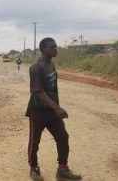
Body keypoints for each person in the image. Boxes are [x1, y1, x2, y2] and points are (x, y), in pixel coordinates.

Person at [26, 38, 82, 181]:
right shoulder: (36, 68)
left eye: (56, 46)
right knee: (34, 142)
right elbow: (38, 91)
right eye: (52, 47)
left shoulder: (51, 64)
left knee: (63, 137)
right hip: (37, 112)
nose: (56, 49)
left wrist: (55, 107)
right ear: (43, 49)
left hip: (51, 112)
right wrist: (57, 107)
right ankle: (34, 168)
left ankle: (62, 170)